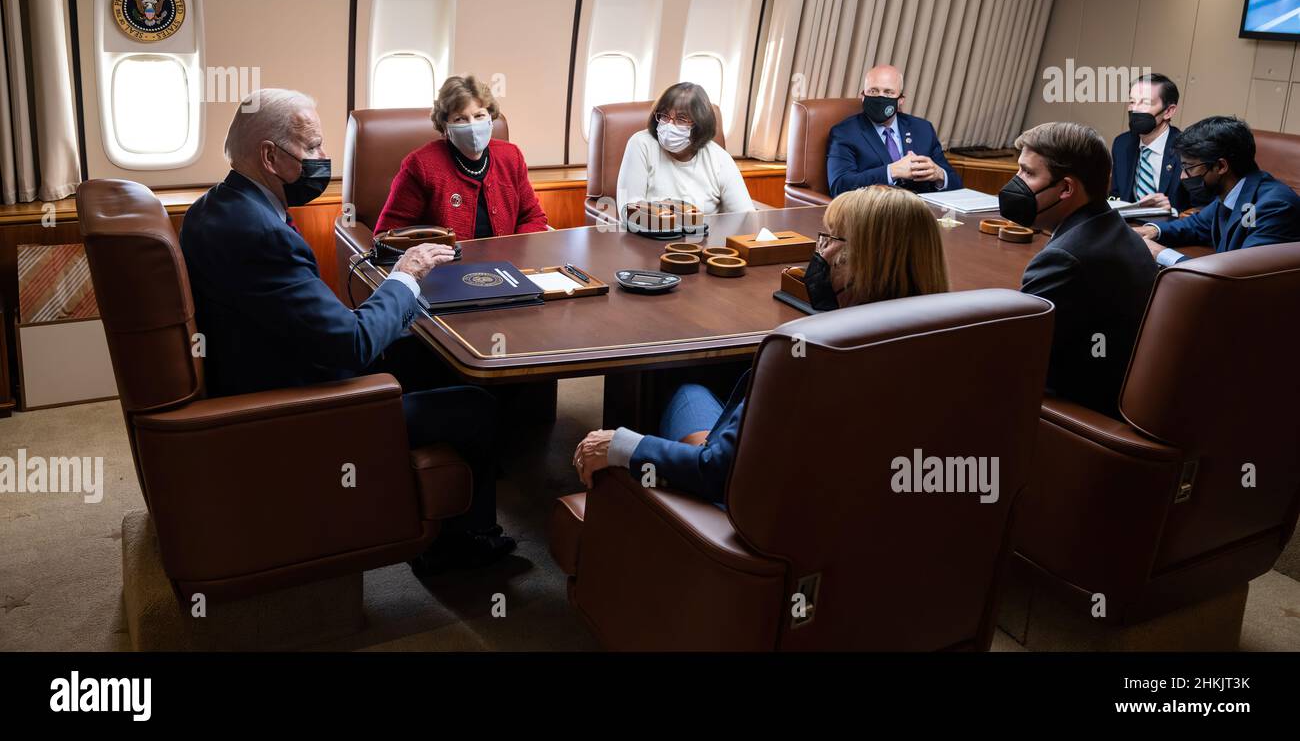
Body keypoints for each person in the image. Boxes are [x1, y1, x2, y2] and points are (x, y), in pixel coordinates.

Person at [181, 88, 515, 573]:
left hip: (269, 362)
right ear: (270, 156)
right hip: (295, 406)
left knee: (428, 357)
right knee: (476, 408)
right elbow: (352, 345)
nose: (323, 159)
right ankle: (461, 546)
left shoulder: (218, 206)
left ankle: (456, 506)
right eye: (313, 147)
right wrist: (407, 274)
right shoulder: (260, 233)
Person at [570, 186, 949, 504]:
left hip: (754, 507)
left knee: (681, 385)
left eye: (830, 239)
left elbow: (718, 471)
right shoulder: (949, 339)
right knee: (699, 385)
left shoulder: (809, 359)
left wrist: (619, 444)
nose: (820, 251)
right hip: (872, 513)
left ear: (869, 261)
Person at [1000, 121, 1157, 419]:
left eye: (1028, 173)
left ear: (1066, 188)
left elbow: (1017, 357)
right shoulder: (1117, 229)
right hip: (1119, 392)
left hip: (1078, 412)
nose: (1016, 182)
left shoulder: (1064, 257)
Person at [375, 75, 548, 237]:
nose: (472, 126)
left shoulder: (511, 156)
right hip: (445, 266)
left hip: (506, 262)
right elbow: (386, 236)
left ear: (490, 118)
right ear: (445, 127)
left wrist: (515, 251)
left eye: (479, 115)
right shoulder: (421, 166)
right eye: (460, 119)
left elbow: (533, 218)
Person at [1137, 115, 1300, 265]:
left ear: (1221, 166)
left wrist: (1161, 253)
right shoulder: (1233, 191)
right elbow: (1196, 225)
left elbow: (1242, 274)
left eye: (1189, 168)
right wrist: (1152, 231)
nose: (1183, 177)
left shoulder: (1276, 207)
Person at [615, 82, 755, 219]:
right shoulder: (641, 144)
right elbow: (629, 211)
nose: (669, 125)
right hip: (651, 238)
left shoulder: (719, 158)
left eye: (681, 119)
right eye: (664, 115)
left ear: (700, 125)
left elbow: (745, 216)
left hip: (707, 239)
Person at [826, 64, 962, 197]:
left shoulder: (923, 129)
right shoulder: (845, 133)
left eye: (888, 92)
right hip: (876, 213)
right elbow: (839, 186)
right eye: (873, 91)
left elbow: (957, 185)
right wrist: (891, 171)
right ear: (863, 96)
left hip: (922, 211)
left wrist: (939, 175)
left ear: (900, 100)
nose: (880, 98)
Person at [1110, 73, 1193, 211]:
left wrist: (1172, 211)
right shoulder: (1121, 144)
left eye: (1146, 102)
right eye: (1132, 102)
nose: (1135, 109)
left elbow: (1200, 209)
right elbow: (1115, 194)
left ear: (1168, 111)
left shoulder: (1187, 150)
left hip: (1170, 229)